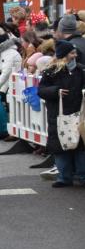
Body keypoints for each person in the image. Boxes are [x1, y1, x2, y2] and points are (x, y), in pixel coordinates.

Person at [38, 41, 85, 187]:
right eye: (72, 53)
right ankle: (64, 178)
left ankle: (82, 176)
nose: (75, 55)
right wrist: (56, 91)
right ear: (64, 55)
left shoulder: (81, 70)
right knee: (60, 148)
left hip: (79, 114)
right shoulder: (50, 71)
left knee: (80, 146)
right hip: (58, 115)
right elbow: (41, 91)